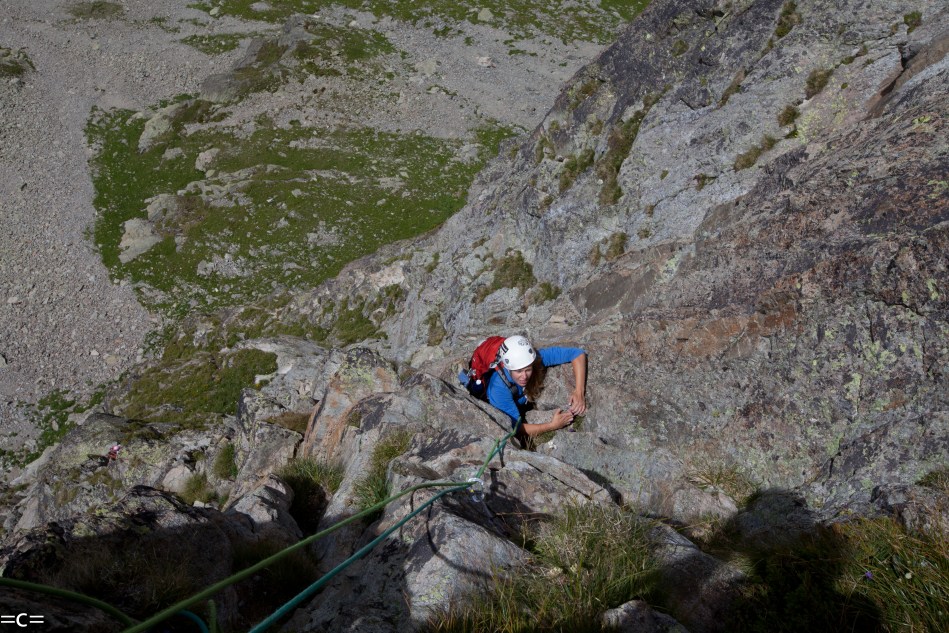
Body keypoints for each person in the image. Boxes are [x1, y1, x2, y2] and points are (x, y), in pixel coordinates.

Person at [486, 335, 587, 438]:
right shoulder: (498, 389)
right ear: (508, 368)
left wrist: (579, 391)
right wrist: (552, 425)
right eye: (519, 371)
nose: (524, 376)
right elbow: (515, 428)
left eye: (528, 370)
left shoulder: (534, 360)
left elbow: (576, 354)